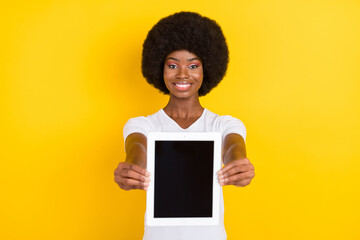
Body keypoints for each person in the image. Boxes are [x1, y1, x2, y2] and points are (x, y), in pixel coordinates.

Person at [114, 11, 255, 240]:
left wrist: (238, 164)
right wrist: (132, 169)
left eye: (192, 66)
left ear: (205, 69)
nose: (182, 74)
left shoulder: (224, 124)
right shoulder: (143, 125)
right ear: (159, 69)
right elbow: (137, 147)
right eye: (172, 66)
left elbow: (232, 147)